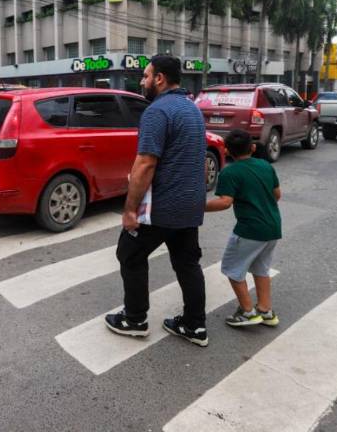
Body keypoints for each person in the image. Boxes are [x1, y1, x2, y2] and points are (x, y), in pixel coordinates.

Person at [105, 55, 209, 346]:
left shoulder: (157, 111)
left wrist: (129, 210)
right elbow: (199, 159)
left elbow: (145, 164)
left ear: (159, 78)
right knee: (188, 264)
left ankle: (134, 319)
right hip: (189, 206)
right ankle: (195, 325)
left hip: (162, 207)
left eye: (146, 75)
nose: (142, 80)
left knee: (130, 253)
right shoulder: (192, 109)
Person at [205, 128, 281, 328]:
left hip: (249, 230)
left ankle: (248, 312)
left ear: (227, 151)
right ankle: (265, 310)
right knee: (261, 268)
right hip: (273, 227)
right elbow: (277, 194)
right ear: (253, 147)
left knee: (232, 268)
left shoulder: (230, 171)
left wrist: (197, 207)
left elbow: (224, 202)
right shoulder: (266, 166)